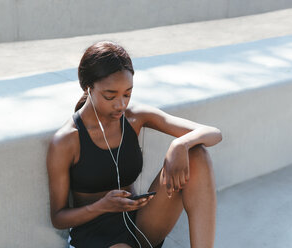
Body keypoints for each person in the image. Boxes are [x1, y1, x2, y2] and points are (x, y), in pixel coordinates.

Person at [47, 40, 222, 248]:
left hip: (138, 222)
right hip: (94, 232)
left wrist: (181, 144)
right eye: (110, 96)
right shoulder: (67, 140)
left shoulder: (135, 118)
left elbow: (213, 133)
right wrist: (103, 206)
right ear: (88, 86)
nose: (121, 104)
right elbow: (58, 217)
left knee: (197, 155)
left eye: (127, 94)